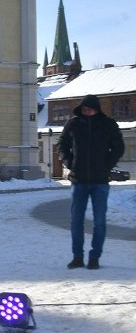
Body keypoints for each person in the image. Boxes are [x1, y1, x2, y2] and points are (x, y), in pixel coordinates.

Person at [58, 94, 124, 270]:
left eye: (90, 109)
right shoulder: (73, 124)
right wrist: (69, 162)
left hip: (100, 182)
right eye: (84, 109)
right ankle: (77, 256)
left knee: (99, 221)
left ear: (97, 109)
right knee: (76, 221)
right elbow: (62, 145)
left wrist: (106, 166)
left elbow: (118, 148)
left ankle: (95, 257)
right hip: (78, 181)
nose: (87, 112)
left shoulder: (108, 125)